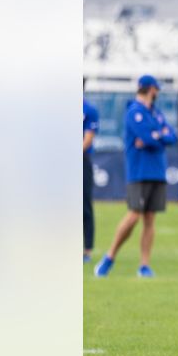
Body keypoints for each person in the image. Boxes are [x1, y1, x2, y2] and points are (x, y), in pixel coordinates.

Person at [94, 75, 176, 278]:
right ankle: (110, 256)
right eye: (156, 89)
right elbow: (148, 138)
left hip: (157, 171)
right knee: (134, 215)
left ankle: (144, 265)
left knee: (150, 219)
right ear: (150, 89)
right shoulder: (134, 113)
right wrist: (158, 136)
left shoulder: (155, 113)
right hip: (139, 171)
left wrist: (158, 136)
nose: (158, 92)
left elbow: (172, 136)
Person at [83, 96, 99, 263]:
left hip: (82, 161)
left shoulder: (89, 110)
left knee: (84, 205)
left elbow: (88, 138)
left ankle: (87, 250)